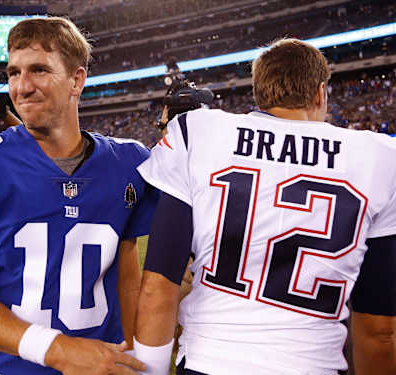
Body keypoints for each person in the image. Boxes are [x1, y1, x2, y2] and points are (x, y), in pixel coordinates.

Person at [133, 38, 396, 375]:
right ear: (320, 94)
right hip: (311, 365)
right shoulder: (379, 157)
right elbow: (379, 331)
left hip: (209, 361)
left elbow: (158, 287)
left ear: (259, 93)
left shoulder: (200, 131)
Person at [0, 17, 157, 375]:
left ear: (76, 80)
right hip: (4, 368)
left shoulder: (129, 161)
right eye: (13, 73)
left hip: (101, 362)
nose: (22, 86)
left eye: (39, 70)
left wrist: (136, 353)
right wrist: (57, 349)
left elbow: (126, 276)